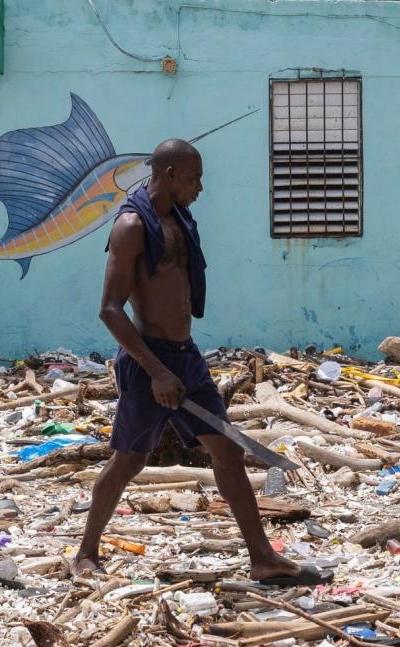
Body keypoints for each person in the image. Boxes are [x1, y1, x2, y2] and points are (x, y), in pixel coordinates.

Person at [71, 139, 329, 587]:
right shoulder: (131, 226)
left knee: (226, 450)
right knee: (128, 462)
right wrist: (155, 371)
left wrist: (175, 365)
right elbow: (110, 310)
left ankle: (263, 558)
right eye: (194, 178)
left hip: (185, 356)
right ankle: (85, 554)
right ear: (168, 174)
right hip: (147, 361)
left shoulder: (179, 219)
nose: (201, 187)